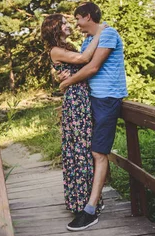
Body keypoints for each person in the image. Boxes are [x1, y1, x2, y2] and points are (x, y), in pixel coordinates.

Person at [59, 2, 128, 231]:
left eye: (78, 18)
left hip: (107, 98)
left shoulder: (108, 34)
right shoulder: (89, 39)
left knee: (99, 152)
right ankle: (94, 201)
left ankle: (90, 210)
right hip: (93, 98)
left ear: (88, 16)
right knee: (91, 150)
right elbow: (81, 63)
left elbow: (93, 68)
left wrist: (67, 82)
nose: (76, 24)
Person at [40, 14, 106, 215]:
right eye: (64, 23)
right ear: (56, 28)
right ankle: (81, 202)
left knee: (83, 148)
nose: (68, 26)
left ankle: (86, 199)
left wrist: (63, 78)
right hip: (76, 100)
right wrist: (100, 32)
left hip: (81, 97)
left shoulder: (65, 47)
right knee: (80, 148)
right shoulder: (56, 50)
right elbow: (85, 59)